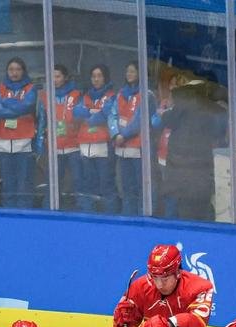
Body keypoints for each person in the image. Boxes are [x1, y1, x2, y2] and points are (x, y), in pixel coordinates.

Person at [111, 243, 214, 327]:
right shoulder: (140, 286)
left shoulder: (199, 287)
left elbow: (198, 322)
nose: (159, 285)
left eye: (165, 278)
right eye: (155, 277)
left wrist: (168, 324)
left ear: (178, 272)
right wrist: (121, 325)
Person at [154, 78, 219, 221]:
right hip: (202, 166)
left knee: (184, 206)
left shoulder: (184, 106)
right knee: (200, 205)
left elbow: (168, 120)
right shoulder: (211, 109)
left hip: (183, 167)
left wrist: (163, 113)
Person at [111, 62, 160, 216]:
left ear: (140, 74)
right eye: (128, 71)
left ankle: (143, 218)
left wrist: (123, 135)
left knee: (142, 188)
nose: (129, 74)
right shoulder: (121, 94)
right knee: (126, 188)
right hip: (123, 150)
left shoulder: (147, 94)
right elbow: (112, 115)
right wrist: (115, 134)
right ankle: (128, 218)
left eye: (132, 71)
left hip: (139, 150)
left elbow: (140, 120)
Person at [0, 57, 39, 208]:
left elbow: (27, 106)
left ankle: (25, 213)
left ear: (23, 71)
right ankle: (9, 212)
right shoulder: (0, 88)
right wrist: (15, 108)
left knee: (24, 181)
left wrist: (6, 103)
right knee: (8, 181)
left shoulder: (31, 88)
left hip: (24, 142)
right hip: (3, 142)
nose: (14, 73)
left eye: (18, 69)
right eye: (11, 69)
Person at [36, 63, 82, 208]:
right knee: (52, 182)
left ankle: (82, 211)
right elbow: (42, 121)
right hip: (54, 147)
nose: (54, 79)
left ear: (65, 77)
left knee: (78, 180)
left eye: (58, 76)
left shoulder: (76, 95)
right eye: (52, 77)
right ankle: (49, 210)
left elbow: (82, 120)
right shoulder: (44, 96)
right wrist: (39, 144)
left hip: (74, 146)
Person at [72, 64, 115, 213]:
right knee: (88, 183)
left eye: (99, 76)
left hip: (103, 147)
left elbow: (105, 115)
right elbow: (76, 112)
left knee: (106, 183)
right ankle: (89, 214)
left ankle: (109, 214)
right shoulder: (85, 96)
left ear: (105, 77)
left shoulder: (111, 96)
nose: (96, 79)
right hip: (86, 147)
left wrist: (89, 115)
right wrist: (92, 111)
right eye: (93, 76)